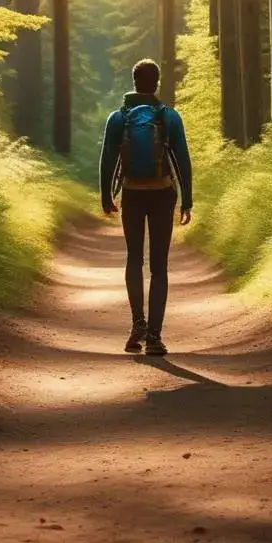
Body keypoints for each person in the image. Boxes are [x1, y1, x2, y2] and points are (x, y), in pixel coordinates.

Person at [100, 59, 193, 356]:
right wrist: (187, 199)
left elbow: (107, 160)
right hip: (162, 194)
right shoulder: (169, 117)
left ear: (134, 81)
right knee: (159, 266)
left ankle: (136, 325)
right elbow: (183, 161)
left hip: (132, 194)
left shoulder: (118, 118)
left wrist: (105, 195)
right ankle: (155, 336)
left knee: (133, 259)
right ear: (157, 83)